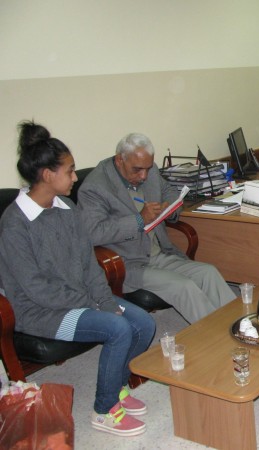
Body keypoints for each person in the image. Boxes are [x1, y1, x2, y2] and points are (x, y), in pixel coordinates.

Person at [0, 121, 155, 436]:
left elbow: (88, 263)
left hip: (80, 300)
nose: (74, 178)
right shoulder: (15, 223)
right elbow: (36, 289)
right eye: (70, 171)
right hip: (41, 312)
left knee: (144, 323)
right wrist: (95, 306)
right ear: (48, 175)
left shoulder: (67, 208)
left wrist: (105, 300)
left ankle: (117, 387)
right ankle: (104, 410)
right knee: (117, 328)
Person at [77, 133, 236, 323]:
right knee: (184, 286)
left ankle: (241, 326)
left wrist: (169, 206)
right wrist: (139, 220)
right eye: (137, 170)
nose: (144, 176)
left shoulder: (148, 170)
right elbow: (93, 232)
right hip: (128, 263)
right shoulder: (95, 187)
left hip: (160, 254)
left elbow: (169, 190)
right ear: (120, 160)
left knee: (208, 273)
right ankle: (214, 336)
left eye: (148, 168)